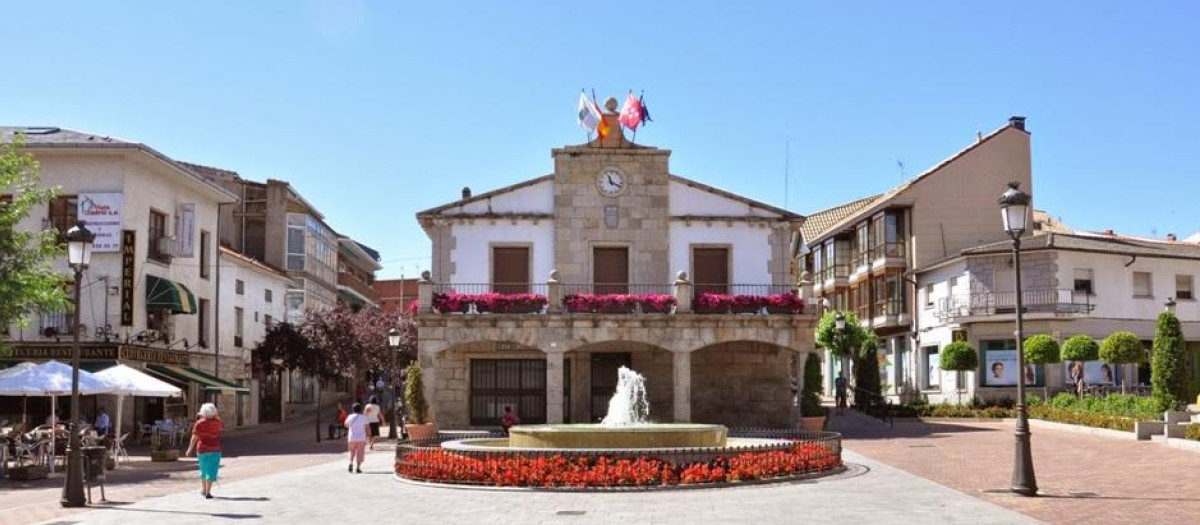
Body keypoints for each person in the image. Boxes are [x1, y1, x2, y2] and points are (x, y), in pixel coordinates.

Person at [185, 403, 223, 499]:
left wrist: (190, 449)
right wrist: (215, 415)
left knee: (203, 469)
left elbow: (194, 437)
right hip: (215, 449)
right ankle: (208, 492)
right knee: (211, 470)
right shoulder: (218, 423)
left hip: (202, 449)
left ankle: (203, 489)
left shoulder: (199, 423)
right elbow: (221, 426)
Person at [343, 402, 370, 474]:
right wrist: (369, 435)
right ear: (360, 409)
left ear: (353, 409)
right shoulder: (364, 417)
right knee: (360, 452)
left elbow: (345, 424)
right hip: (361, 437)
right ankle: (358, 467)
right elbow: (368, 428)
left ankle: (351, 462)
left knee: (351, 451)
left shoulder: (350, 416)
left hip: (352, 437)